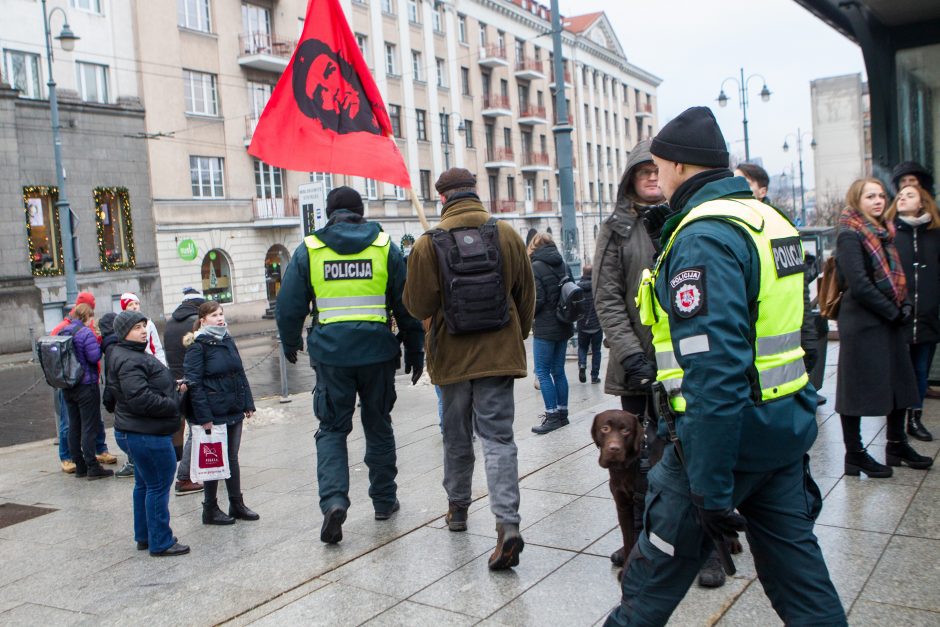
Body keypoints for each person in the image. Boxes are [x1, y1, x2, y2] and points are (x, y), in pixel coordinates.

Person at [606, 106, 845, 626]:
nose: (657, 176)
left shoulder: (703, 237)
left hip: (715, 445)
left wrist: (709, 489)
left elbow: (714, 370)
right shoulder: (769, 220)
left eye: (659, 166)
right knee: (802, 584)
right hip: (779, 433)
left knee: (645, 591)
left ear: (679, 167)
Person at [404, 167, 535, 570]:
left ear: (442, 199)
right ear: (475, 193)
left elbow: (417, 306)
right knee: (498, 439)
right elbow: (526, 295)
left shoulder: (428, 244)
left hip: (451, 360)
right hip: (498, 356)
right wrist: (514, 337)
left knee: (456, 437)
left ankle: (458, 510)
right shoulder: (507, 234)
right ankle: (507, 524)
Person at [276, 186, 424, 544]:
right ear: (361, 211)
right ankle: (385, 501)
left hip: (331, 357)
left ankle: (334, 501)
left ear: (328, 213)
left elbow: (288, 304)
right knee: (378, 425)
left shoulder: (310, 249)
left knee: (331, 429)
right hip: (377, 354)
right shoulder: (384, 246)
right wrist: (416, 350)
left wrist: (291, 340)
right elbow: (407, 304)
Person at [835, 178, 934, 477]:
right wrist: (894, 311)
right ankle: (855, 455)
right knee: (854, 390)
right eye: (870, 196)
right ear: (857, 200)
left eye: (880, 195)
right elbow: (860, 285)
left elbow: (895, 277)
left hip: (886, 319)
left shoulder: (885, 232)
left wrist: (902, 307)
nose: (878, 201)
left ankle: (896, 444)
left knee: (899, 383)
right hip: (862, 322)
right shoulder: (850, 234)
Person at [735, 162, 822, 404]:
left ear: (762, 191)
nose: (735, 187)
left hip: (779, 350)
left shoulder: (779, 226)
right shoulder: (730, 225)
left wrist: (808, 335)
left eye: (744, 182)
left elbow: (797, 286)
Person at [106, 310, 189, 557]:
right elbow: (140, 398)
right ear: (124, 333)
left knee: (144, 484)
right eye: (136, 328)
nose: (143, 330)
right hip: (146, 432)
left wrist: (172, 388)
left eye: (143, 325)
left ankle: (145, 535)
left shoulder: (127, 353)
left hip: (138, 429)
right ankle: (161, 541)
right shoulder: (130, 358)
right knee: (158, 485)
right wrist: (174, 403)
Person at [184, 301, 259, 525]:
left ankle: (236, 503)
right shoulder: (198, 346)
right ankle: (210, 508)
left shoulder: (227, 339)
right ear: (203, 319)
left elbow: (239, 373)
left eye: (221, 314)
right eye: (214, 315)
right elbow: (194, 384)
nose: (219, 318)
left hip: (233, 408)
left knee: (232, 457)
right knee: (214, 460)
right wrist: (204, 417)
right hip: (213, 412)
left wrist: (247, 402)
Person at [888, 185, 940, 441]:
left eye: (910, 195)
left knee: (921, 369)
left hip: (929, 315)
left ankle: (915, 419)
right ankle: (896, 421)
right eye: (900, 195)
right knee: (900, 369)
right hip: (900, 316)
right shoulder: (891, 232)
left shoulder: (935, 232)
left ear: (922, 202)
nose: (903, 198)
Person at [51, 291, 116, 473]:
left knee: (74, 426)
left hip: (68, 385)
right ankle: (92, 466)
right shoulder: (85, 333)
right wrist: (97, 342)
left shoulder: (64, 329)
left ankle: (79, 466)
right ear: (86, 316)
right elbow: (94, 356)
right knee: (89, 425)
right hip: (86, 385)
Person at [528, 232, 574, 434]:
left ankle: (552, 415)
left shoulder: (536, 266)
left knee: (543, 372)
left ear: (534, 246)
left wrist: (528, 314)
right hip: (563, 324)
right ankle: (563, 414)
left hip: (545, 328)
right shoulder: (563, 264)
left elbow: (537, 301)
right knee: (559, 371)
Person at [164, 287, 206, 496]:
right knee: (197, 431)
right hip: (194, 382)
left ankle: (187, 467)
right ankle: (184, 477)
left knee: (187, 428)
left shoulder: (170, 323)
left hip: (176, 381)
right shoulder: (194, 322)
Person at [120, 293, 166, 366]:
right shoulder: (121, 327)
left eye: (136, 303)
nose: (134, 307)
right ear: (124, 308)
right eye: (130, 304)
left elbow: (157, 349)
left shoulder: (149, 324)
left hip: (151, 366)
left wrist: (163, 367)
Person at [576, 265, 602, 384]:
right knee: (596, 351)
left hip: (582, 325)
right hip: (596, 326)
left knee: (582, 347)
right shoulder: (597, 287)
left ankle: (582, 365)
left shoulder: (577, 288)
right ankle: (594, 376)